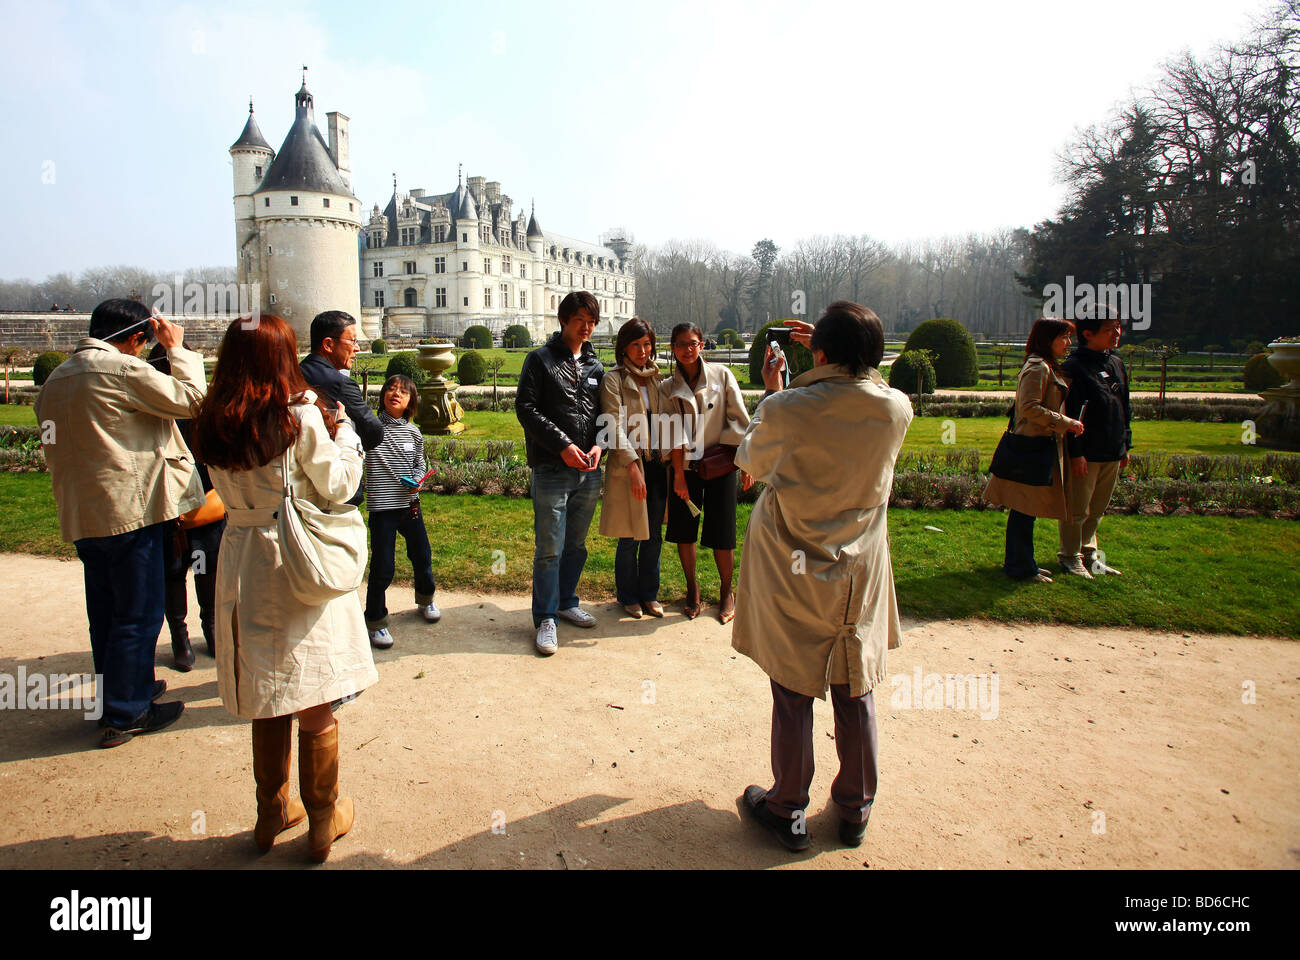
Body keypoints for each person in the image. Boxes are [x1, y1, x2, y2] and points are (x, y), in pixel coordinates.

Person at [193, 314, 378, 862]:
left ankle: (271, 810)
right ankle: (323, 819)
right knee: (313, 692)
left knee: (269, 689)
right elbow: (340, 486)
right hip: (294, 555)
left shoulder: (216, 418)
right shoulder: (298, 416)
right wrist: (343, 433)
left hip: (243, 554)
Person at [731, 302, 913, 853]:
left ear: (822, 351)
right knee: (855, 686)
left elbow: (750, 463)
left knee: (793, 688)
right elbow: (868, 386)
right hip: (859, 567)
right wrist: (842, 355)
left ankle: (788, 805)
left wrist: (776, 389)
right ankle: (855, 808)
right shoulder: (896, 409)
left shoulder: (788, 407)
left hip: (795, 566)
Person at [35, 298, 203, 748]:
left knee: (106, 614)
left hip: (83, 514)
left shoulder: (57, 378)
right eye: (142, 344)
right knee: (139, 613)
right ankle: (128, 714)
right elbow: (193, 401)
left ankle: (123, 695)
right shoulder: (120, 371)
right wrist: (178, 349)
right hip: (129, 511)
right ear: (133, 338)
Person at [515, 290, 605, 655]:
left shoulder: (596, 367)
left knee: (576, 544)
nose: (586, 327)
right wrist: (564, 446)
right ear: (563, 319)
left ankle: (566, 600)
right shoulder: (540, 360)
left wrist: (601, 445)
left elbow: (606, 416)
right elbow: (526, 408)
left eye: (591, 321)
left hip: (589, 469)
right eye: (580, 319)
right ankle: (546, 617)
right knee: (550, 547)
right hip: (553, 467)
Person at [983, 318, 1085, 582]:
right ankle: (1021, 567)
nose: (1068, 343)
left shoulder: (1046, 366)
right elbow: (1028, 407)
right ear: (1047, 339)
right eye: (1063, 337)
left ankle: (1023, 563)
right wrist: (1066, 423)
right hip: (1032, 447)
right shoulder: (1038, 367)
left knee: (1026, 511)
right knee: (1024, 510)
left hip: (1038, 446)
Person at [664, 321, 751, 622]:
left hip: (721, 465)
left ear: (702, 345)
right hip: (685, 468)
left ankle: (727, 591)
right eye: (681, 344)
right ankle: (693, 589)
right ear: (672, 348)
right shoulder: (668, 388)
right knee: (685, 532)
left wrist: (744, 462)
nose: (687, 350)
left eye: (693, 343)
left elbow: (739, 421)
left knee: (722, 533)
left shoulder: (721, 375)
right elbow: (671, 433)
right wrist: (677, 475)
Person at [147, 343, 226, 671]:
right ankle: (180, 635)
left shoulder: (203, 407)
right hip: (167, 504)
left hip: (203, 501)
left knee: (205, 568)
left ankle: (210, 628)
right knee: (174, 572)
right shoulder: (150, 405)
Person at [598, 317, 670, 619]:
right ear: (624, 348)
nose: (643, 351)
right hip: (630, 465)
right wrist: (633, 467)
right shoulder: (613, 380)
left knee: (653, 534)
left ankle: (649, 594)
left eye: (647, 344)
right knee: (629, 535)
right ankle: (628, 595)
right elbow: (612, 426)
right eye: (636, 345)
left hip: (656, 464)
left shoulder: (656, 379)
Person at [363, 374, 440, 649]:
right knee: (382, 567)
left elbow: (420, 463)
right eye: (391, 389)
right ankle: (375, 620)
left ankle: (426, 599)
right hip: (383, 509)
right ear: (383, 394)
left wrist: (418, 480)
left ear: (410, 402)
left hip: (410, 506)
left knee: (422, 556)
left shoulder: (413, 432)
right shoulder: (369, 429)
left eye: (403, 392)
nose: (396, 394)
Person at [1058, 313, 1131, 578]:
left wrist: (1126, 445)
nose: (1117, 333)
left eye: (1119, 328)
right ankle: (1069, 556)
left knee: (1098, 508)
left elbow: (1125, 407)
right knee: (1077, 508)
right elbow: (1070, 413)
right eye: (1111, 329)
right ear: (1088, 333)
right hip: (1086, 452)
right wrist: (1075, 453)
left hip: (1112, 449)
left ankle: (1089, 553)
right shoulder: (1074, 367)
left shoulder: (1116, 364)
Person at [300, 310, 384, 505]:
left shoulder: (296, 374)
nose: (357, 349)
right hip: (335, 483)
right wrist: (345, 445)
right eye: (353, 341)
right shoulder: (340, 383)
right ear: (328, 344)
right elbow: (374, 430)